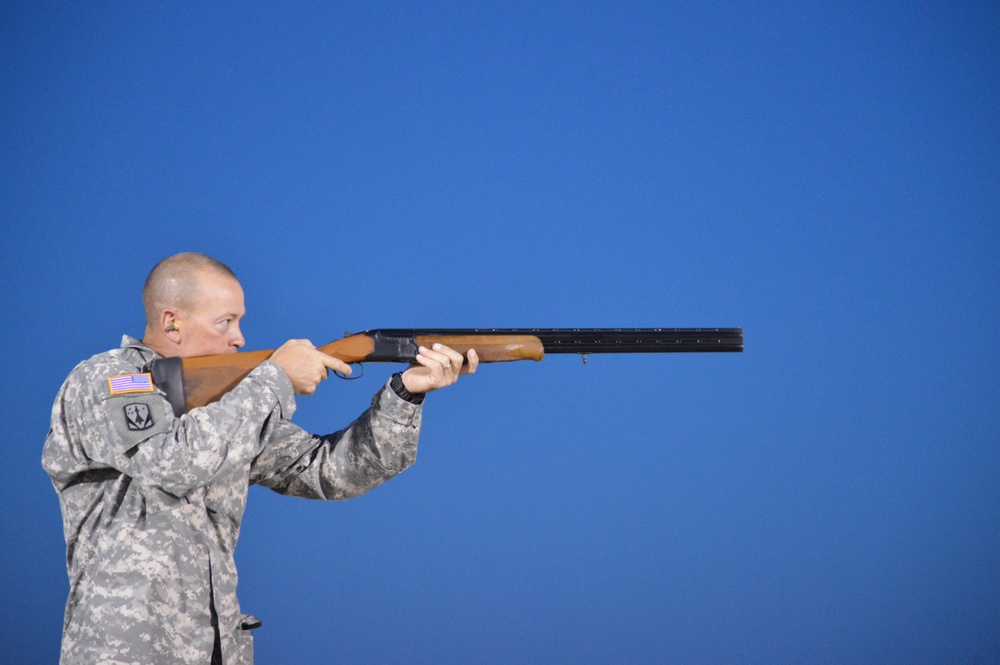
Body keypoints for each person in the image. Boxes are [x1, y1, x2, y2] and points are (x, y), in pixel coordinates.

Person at [42, 252, 478, 664]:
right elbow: (173, 461)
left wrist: (405, 393)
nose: (240, 338)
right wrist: (275, 379)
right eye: (226, 321)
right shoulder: (109, 380)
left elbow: (327, 472)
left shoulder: (229, 407)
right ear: (171, 323)